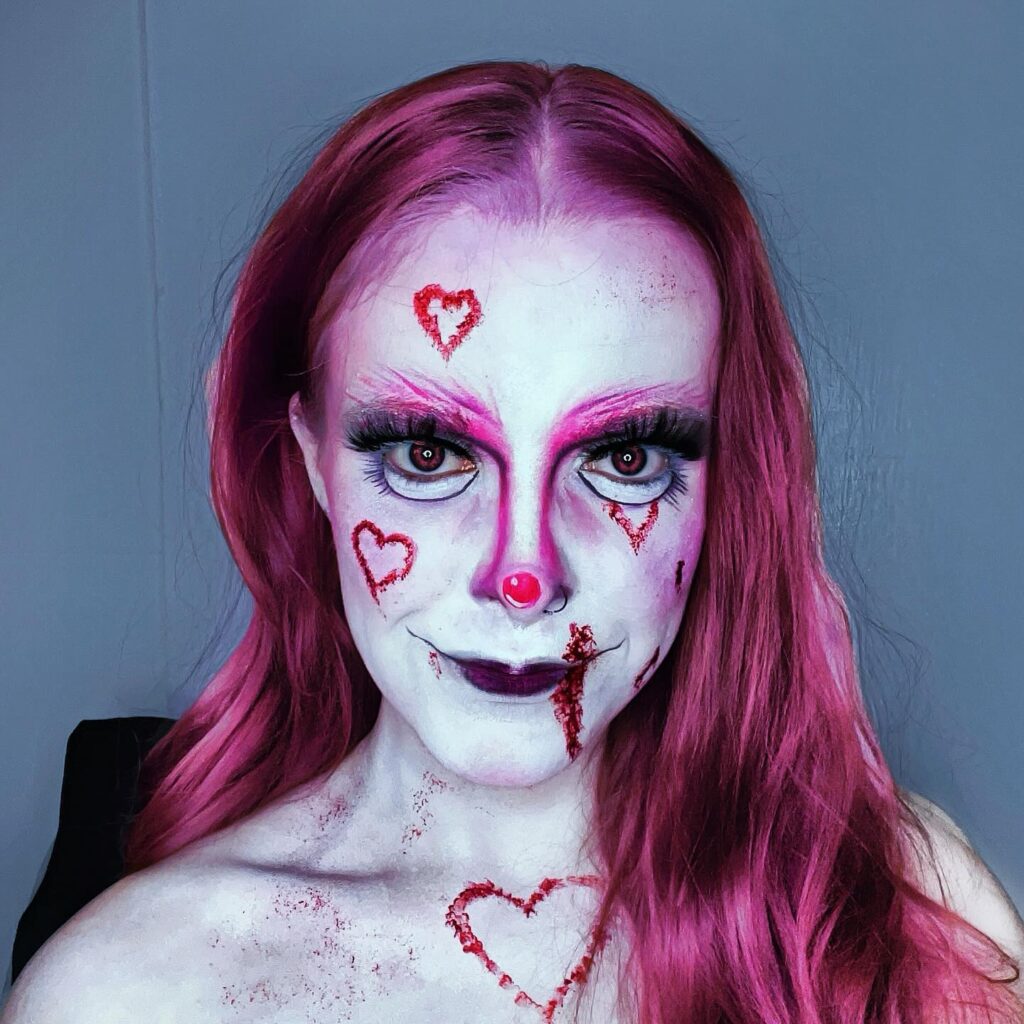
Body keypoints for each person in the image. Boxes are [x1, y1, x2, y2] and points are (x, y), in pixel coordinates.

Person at [4, 59, 1022, 1024]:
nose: (523, 576)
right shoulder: (133, 990)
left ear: (724, 486)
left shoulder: (890, 905)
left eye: (624, 460)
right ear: (311, 454)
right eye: (427, 454)